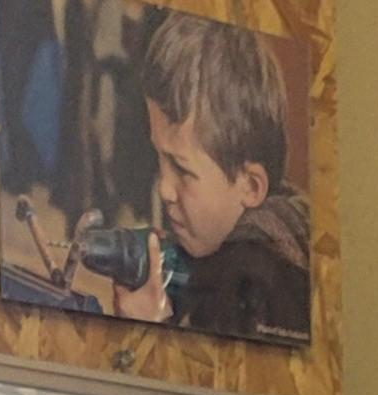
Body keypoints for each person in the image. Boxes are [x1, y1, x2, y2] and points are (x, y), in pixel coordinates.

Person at [102, 11, 310, 342]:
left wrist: (147, 329)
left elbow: (198, 384)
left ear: (251, 186)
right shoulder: (287, 233)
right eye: (160, 160)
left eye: (182, 169)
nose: (163, 189)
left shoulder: (248, 284)